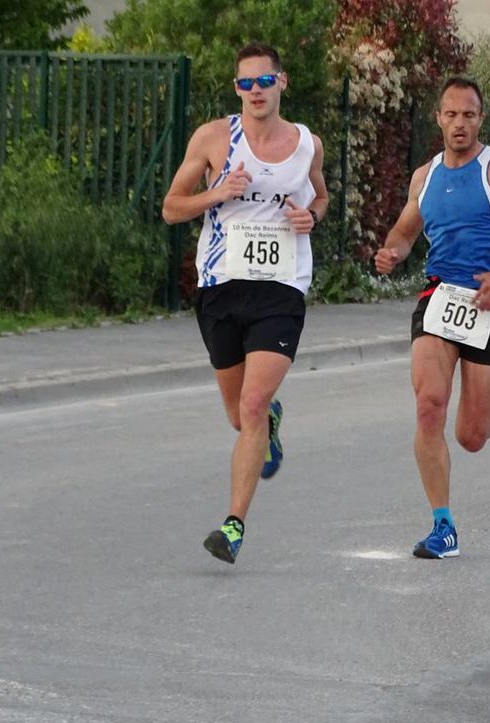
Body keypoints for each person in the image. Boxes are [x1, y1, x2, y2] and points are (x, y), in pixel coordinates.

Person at [374, 76, 490, 559]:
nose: (459, 123)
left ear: (480, 119)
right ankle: (442, 526)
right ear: (439, 118)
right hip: (438, 297)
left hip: (489, 301)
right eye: (451, 114)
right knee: (429, 405)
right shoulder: (425, 176)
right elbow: (405, 229)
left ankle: (486, 412)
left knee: (471, 435)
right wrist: (393, 250)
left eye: (469, 115)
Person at [162, 42, 328, 563]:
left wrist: (313, 217)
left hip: (281, 288)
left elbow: (320, 196)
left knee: (251, 405)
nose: (254, 91)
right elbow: (171, 208)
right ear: (237, 89)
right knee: (241, 417)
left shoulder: (307, 145)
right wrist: (217, 192)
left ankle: (233, 526)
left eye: (264, 81)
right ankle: (270, 422)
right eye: (245, 83)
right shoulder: (214, 138)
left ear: (283, 82)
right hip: (221, 287)